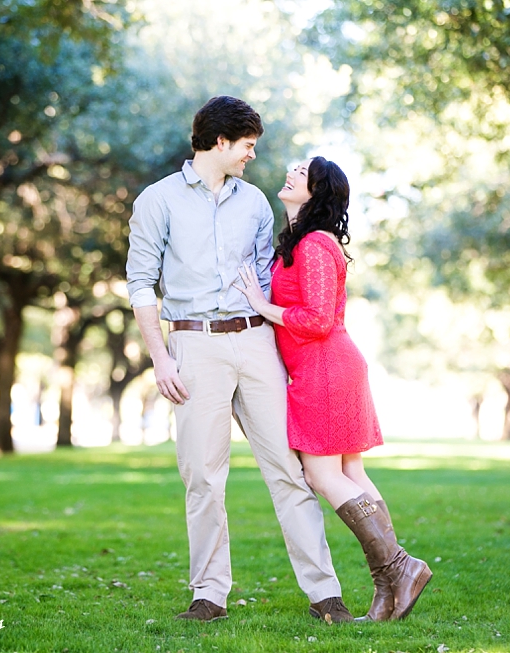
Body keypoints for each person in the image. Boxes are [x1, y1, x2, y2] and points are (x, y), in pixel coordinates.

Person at [126, 97, 352, 623]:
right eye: (248, 145)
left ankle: (325, 594)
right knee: (203, 477)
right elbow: (140, 284)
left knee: (289, 470)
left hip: (255, 343)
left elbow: (269, 279)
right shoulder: (157, 200)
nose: (253, 155)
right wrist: (161, 358)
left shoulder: (254, 203)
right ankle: (209, 595)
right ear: (221, 141)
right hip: (193, 345)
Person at [234, 156, 433, 621]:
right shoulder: (301, 243)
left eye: (302, 172)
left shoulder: (316, 244)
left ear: (317, 191)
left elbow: (318, 319)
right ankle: (389, 587)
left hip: (325, 368)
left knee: (323, 475)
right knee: (351, 472)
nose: (291, 172)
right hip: (326, 367)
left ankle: (400, 567)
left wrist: (262, 305)